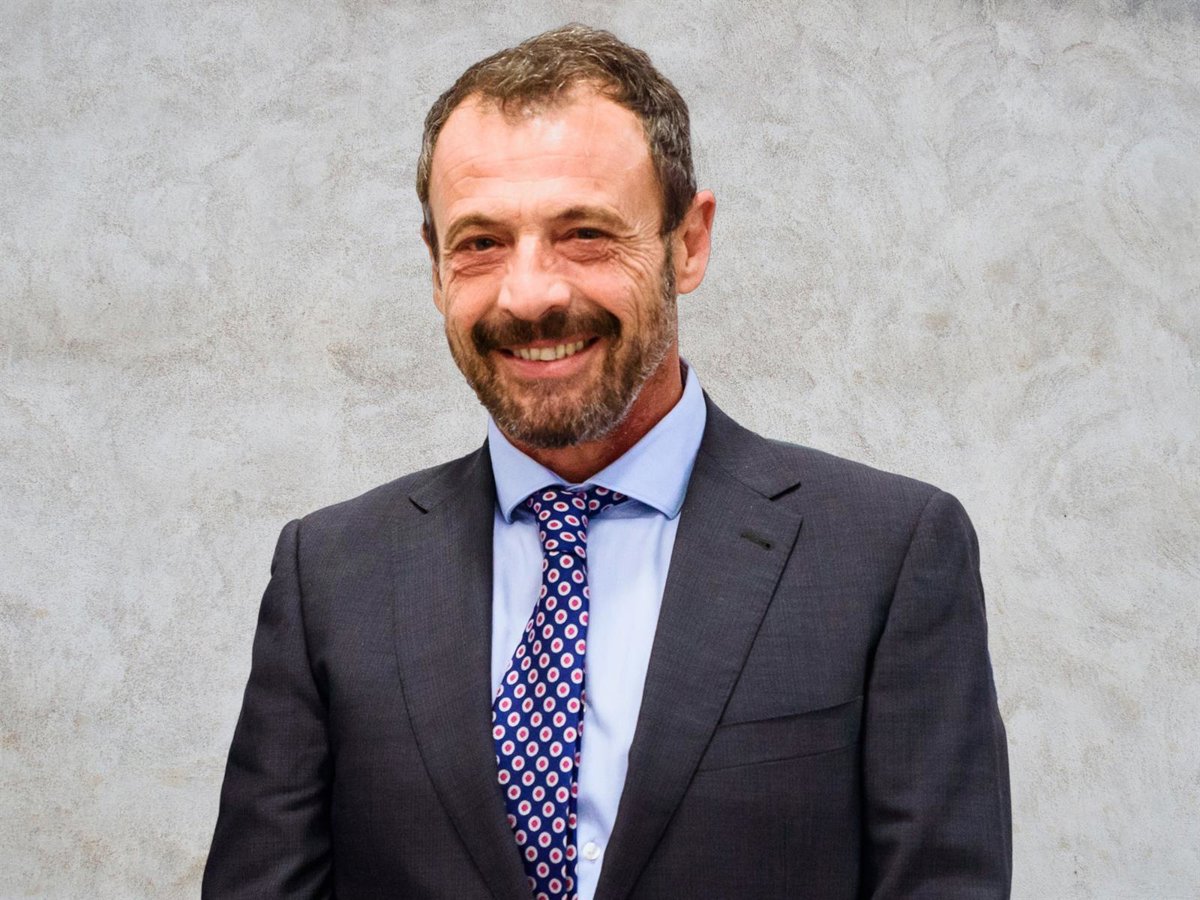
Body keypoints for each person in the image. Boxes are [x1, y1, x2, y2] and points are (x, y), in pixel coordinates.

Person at [203, 24, 1011, 900]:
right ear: (436, 267)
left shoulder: (886, 555)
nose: (530, 294)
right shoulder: (331, 575)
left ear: (687, 243)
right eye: (479, 243)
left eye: (584, 232)